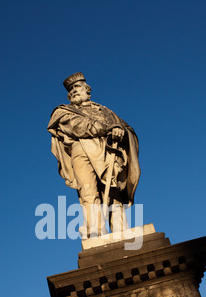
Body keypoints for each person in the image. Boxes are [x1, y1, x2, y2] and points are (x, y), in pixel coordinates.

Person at [47, 73, 140, 238]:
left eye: (77, 86)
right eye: (71, 89)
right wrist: (107, 129)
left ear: (86, 89)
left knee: (113, 191)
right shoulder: (63, 111)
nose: (74, 91)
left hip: (106, 150)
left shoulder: (105, 111)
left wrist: (120, 130)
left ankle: (121, 231)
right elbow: (77, 126)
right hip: (80, 151)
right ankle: (95, 230)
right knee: (88, 190)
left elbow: (127, 129)